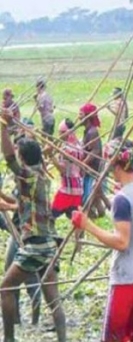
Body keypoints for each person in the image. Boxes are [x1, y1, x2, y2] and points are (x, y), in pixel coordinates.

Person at [71, 139, 133, 342]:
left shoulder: (122, 199)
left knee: (114, 337)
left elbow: (122, 242)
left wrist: (88, 225)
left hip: (126, 281)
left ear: (117, 165)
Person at [0, 107, 66, 342]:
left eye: (19, 154)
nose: (16, 157)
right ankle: (63, 339)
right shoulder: (41, 176)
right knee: (53, 299)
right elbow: (20, 203)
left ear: (24, 158)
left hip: (36, 244)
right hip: (50, 243)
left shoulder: (28, 176)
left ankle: (8, 339)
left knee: (6, 289)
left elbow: (8, 159)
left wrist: (3, 126)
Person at [49, 119, 84, 219]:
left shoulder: (66, 149)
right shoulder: (79, 145)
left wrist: (51, 156)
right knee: (75, 218)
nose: (60, 135)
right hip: (78, 188)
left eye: (62, 133)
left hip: (67, 189)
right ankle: (79, 235)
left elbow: (62, 170)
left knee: (51, 216)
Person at [80, 103, 108, 218]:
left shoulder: (92, 132)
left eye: (81, 115)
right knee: (95, 195)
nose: (79, 118)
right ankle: (101, 214)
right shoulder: (87, 131)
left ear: (87, 116)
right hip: (90, 168)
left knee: (89, 196)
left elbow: (95, 151)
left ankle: (92, 216)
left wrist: (83, 163)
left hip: (94, 169)